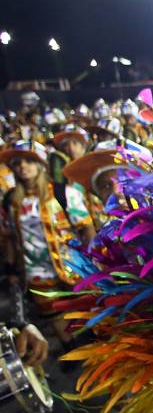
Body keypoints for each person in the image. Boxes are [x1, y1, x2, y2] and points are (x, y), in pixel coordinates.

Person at [0, 140, 95, 347]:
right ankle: (70, 347)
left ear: (40, 164)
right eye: (17, 163)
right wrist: (11, 270)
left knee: (88, 306)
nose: (23, 167)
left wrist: (92, 256)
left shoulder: (63, 193)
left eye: (29, 161)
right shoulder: (10, 201)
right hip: (36, 271)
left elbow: (86, 227)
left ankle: (97, 342)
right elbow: (9, 238)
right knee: (53, 314)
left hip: (72, 264)